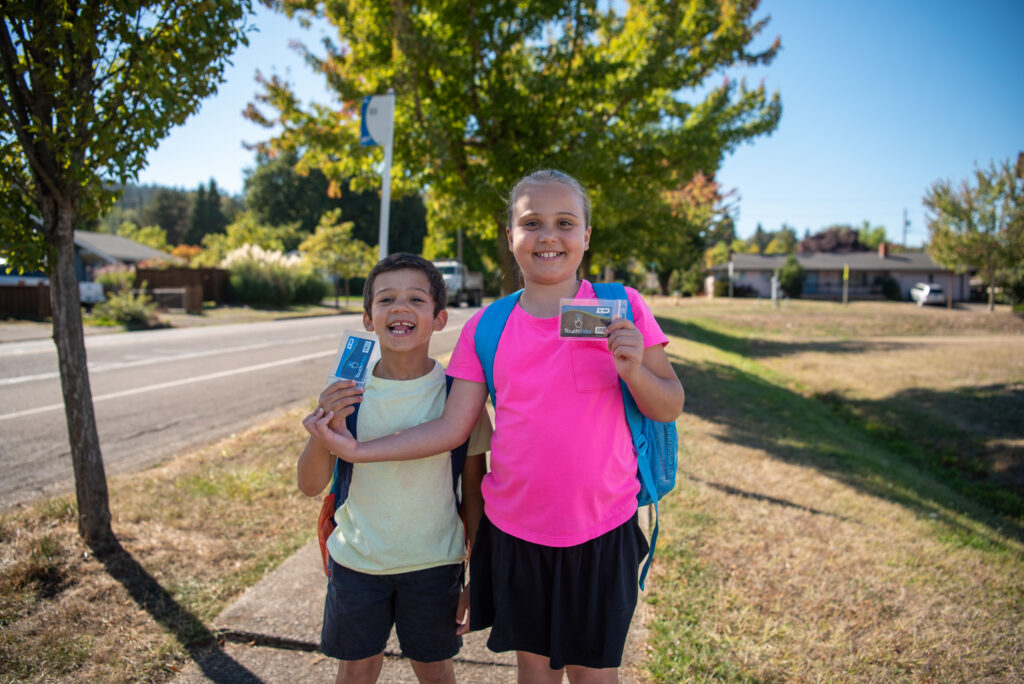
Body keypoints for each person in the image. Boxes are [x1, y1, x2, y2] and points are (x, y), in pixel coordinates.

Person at [307, 170, 685, 683]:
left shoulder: (623, 307)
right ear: (511, 238)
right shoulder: (488, 326)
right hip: (517, 534)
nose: (549, 235)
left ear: (587, 236)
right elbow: (451, 429)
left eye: (565, 222)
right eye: (532, 222)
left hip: (603, 528)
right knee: (534, 671)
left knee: (595, 675)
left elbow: (668, 405)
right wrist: (358, 452)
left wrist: (635, 370)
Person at [298, 252, 492, 684]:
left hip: (434, 563)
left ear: (440, 319)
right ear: (368, 319)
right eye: (386, 300)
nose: (400, 308)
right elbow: (310, 485)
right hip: (358, 562)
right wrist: (320, 430)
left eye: (416, 300)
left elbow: (474, 494)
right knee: (356, 670)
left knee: (435, 669)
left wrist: (476, 574)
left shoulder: (460, 400)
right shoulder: (347, 394)